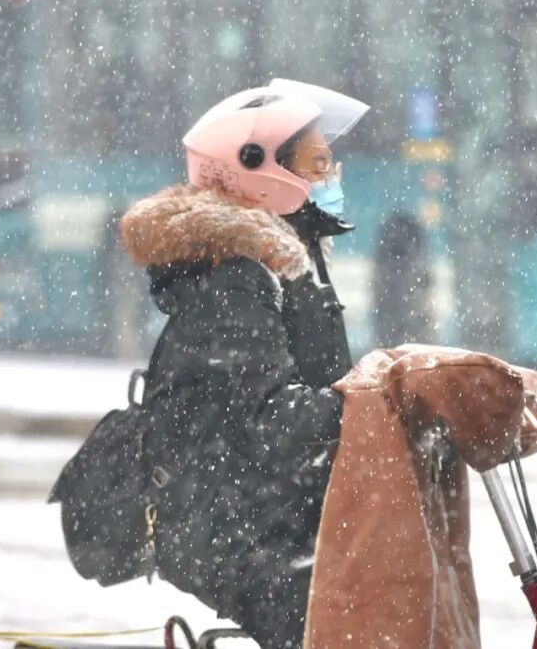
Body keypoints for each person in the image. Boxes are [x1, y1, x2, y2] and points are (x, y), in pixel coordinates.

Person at [116, 80, 369, 649]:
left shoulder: (286, 268)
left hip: (274, 516)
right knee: (352, 624)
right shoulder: (238, 282)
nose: (331, 177)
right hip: (236, 532)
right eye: (317, 163)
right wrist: (379, 401)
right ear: (258, 168)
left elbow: (318, 389)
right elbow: (273, 416)